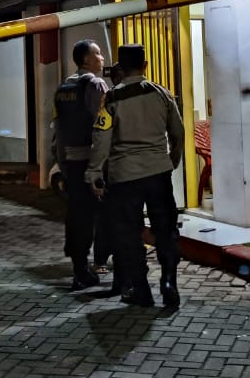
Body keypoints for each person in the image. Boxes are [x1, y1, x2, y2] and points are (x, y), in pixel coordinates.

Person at [87, 44, 184, 307]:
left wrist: (94, 172)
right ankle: (169, 283)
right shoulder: (161, 93)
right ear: (145, 65)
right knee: (165, 231)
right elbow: (178, 132)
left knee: (129, 234)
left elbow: (101, 139)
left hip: (124, 177)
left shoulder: (112, 98)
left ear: (120, 66)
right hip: (158, 172)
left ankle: (141, 290)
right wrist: (171, 161)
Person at [53, 39, 110, 290]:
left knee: (77, 215)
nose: (102, 58)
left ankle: (79, 267)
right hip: (92, 160)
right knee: (100, 215)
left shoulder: (64, 87)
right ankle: (97, 264)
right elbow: (103, 126)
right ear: (86, 59)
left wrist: (62, 162)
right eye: (98, 53)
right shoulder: (95, 85)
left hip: (71, 161)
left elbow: (59, 129)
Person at [91, 63, 124, 277]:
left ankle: (120, 256)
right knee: (106, 217)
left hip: (122, 168)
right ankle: (102, 258)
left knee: (117, 215)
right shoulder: (109, 99)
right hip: (112, 168)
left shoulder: (141, 94)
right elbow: (101, 139)